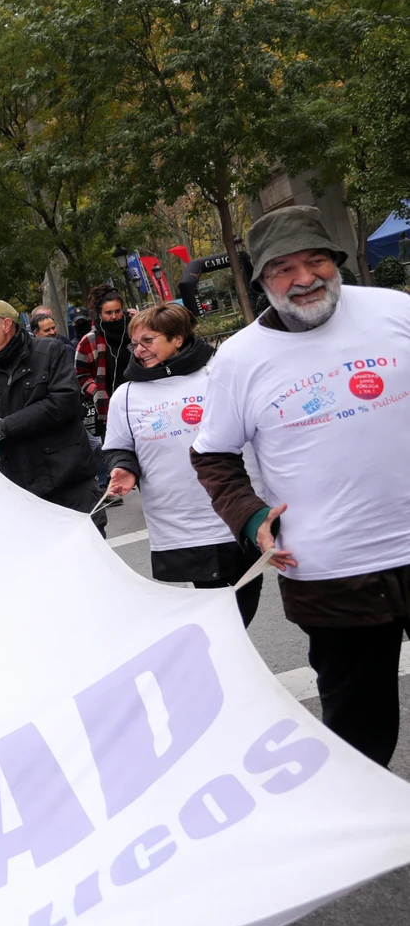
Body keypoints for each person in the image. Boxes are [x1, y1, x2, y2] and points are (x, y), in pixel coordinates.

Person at [192, 205, 410, 767]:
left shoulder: (395, 312)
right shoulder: (239, 359)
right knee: (359, 731)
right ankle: (367, 839)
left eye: (316, 260)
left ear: (335, 260)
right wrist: (248, 517)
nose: (305, 278)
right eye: (284, 268)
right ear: (261, 279)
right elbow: (212, 455)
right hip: (329, 574)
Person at [102, 303, 262, 626]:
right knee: (214, 604)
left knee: (247, 591)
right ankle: (226, 661)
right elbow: (119, 446)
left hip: (236, 510)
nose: (139, 350)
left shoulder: (220, 373)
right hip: (181, 521)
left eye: (148, 340)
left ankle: (227, 658)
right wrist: (124, 468)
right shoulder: (127, 395)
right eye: (135, 343)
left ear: (177, 338)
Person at [0, 300, 104, 531]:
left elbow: (64, 402)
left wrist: (5, 427)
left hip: (68, 482)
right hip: (21, 491)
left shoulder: (50, 351)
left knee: (90, 560)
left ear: (6, 324)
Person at [76, 283, 132, 440]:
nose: (113, 316)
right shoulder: (89, 341)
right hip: (109, 410)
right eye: (108, 312)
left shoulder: (135, 332)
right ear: (100, 314)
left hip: (139, 403)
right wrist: (97, 392)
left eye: (117, 311)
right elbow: (81, 374)